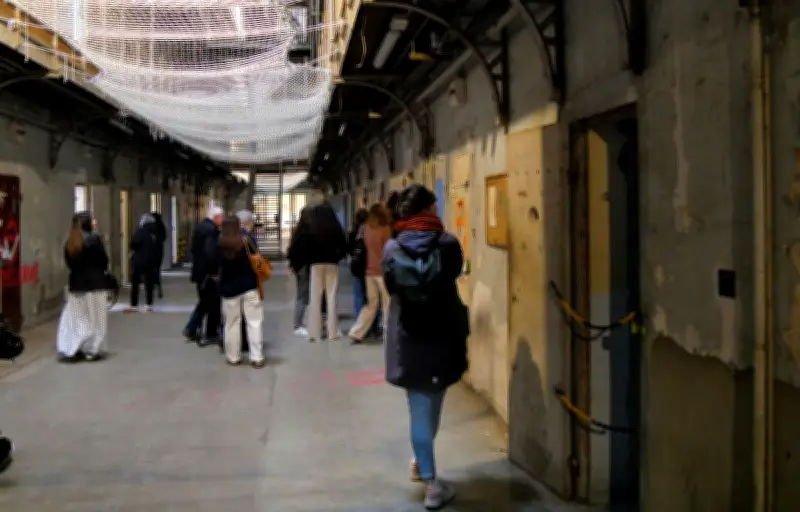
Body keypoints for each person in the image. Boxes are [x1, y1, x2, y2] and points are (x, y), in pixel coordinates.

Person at [382, 184, 469, 509]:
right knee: (434, 402)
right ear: (429, 210)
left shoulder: (392, 248)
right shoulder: (447, 244)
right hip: (443, 335)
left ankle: (424, 467)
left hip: (409, 336)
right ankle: (431, 482)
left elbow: (393, 288)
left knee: (418, 407)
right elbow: (455, 272)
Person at [56, 211, 110, 362]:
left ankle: (72, 347)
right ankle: (93, 350)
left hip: (76, 284)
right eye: (92, 220)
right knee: (97, 318)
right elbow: (104, 261)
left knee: (77, 318)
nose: (94, 223)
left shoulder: (69, 241)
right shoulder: (94, 239)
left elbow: (69, 264)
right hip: (96, 283)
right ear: (87, 223)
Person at [217, 213, 265, 368]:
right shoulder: (247, 240)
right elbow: (257, 259)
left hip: (229, 290)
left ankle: (233, 356)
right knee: (254, 322)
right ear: (238, 226)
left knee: (231, 324)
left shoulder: (218, 243)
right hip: (249, 287)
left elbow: (212, 264)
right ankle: (257, 356)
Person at [348, 203, 392, 344]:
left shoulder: (367, 228)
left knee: (371, 305)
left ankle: (357, 332)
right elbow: (389, 250)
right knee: (387, 305)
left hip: (369, 272)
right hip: (382, 272)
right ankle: (388, 335)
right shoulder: (385, 230)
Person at [304, 202, 347, 342]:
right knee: (331, 296)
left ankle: (315, 333)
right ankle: (332, 332)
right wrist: (337, 257)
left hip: (316, 265)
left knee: (315, 297)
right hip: (332, 264)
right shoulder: (336, 227)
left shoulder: (312, 227)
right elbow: (343, 246)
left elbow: (306, 246)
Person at [184, 206, 223, 346]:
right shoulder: (211, 231)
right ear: (215, 217)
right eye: (221, 217)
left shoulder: (201, 227)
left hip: (199, 272)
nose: (223, 220)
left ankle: (203, 330)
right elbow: (210, 253)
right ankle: (194, 328)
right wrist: (213, 272)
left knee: (208, 301)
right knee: (209, 302)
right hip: (208, 274)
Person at [125, 214, 159, 313]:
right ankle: (149, 305)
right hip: (151, 261)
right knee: (149, 283)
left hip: (139, 260)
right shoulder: (155, 232)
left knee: (135, 283)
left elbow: (133, 244)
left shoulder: (140, 232)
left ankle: (134, 305)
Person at [287, 205, 312, 337]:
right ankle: (298, 325)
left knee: (302, 295)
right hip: (305, 267)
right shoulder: (309, 232)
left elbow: (291, 250)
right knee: (303, 296)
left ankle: (299, 323)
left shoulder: (298, 230)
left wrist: (292, 265)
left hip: (299, 267)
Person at [347, 208, 369, 318]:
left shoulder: (352, 232)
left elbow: (350, 250)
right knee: (368, 294)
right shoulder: (370, 231)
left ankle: (359, 319)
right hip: (368, 265)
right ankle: (369, 321)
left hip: (356, 266)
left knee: (358, 294)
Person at [151, 211, 167, 299]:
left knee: (152, 269)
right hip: (159, 250)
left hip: (152, 251)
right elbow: (164, 237)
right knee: (157, 268)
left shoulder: (152, 227)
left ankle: (154, 284)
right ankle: (158, 287)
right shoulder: (161, 226)